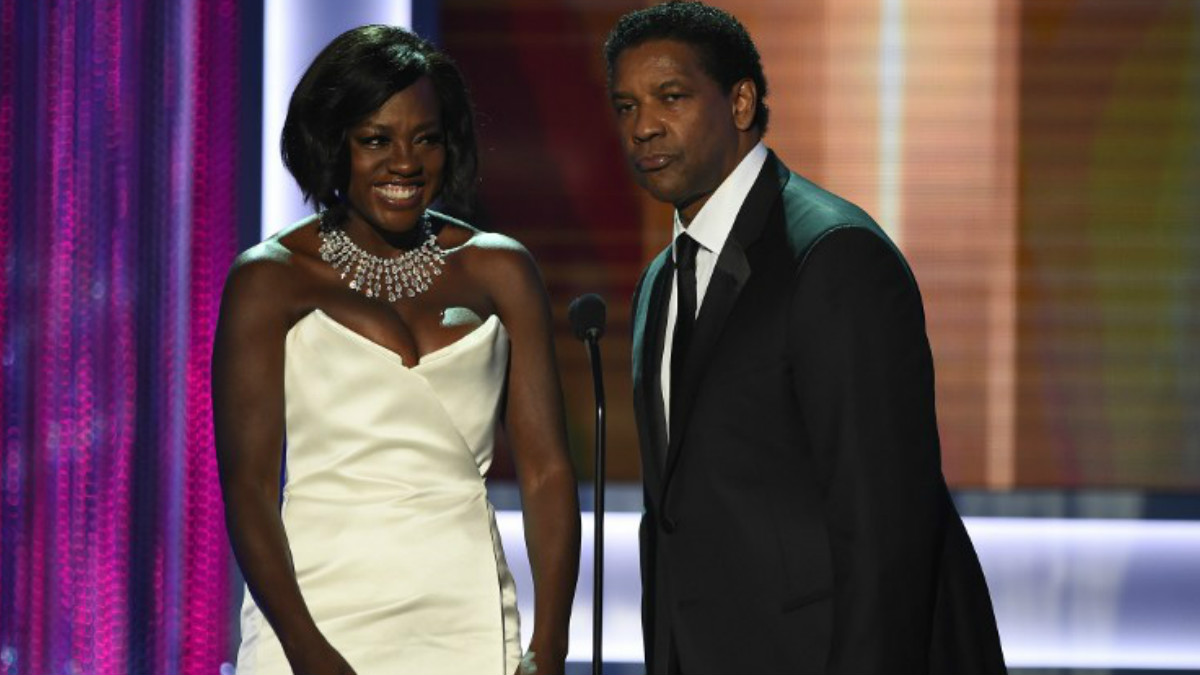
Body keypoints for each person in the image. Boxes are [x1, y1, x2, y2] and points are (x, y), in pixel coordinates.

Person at [604, 3, 1007, 673]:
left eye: (670, 97)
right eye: (625, 105)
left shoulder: (834, 255)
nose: (644, 126)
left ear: (740, 102)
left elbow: (884, 529)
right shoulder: (659, 281)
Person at [212, 25, 579, 675]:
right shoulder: (270, 279)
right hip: (314, 622)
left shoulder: (500, 271)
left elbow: (548, 472)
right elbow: (247, 488)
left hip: (465, 620)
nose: (406, 162)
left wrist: (549, 646)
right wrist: (306, 649)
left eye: (426, 138)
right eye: (376, 139)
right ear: (333, 145)